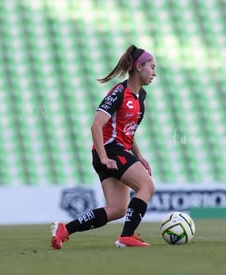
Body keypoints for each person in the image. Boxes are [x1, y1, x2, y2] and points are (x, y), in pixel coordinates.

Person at [50, 45, 156, 249]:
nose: (154, 72)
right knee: (147, 186)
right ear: (138, 66)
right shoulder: (119, 92)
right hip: (110, 151)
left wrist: (139, 156)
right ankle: (127, 237)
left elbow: (127, 131)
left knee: (117, 209)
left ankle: (65, 229)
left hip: (117, 151)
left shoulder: (140, 96)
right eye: (152, 67)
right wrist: (105, 156)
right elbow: (96, 125)